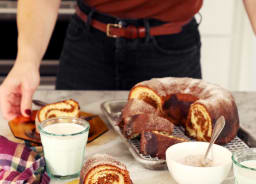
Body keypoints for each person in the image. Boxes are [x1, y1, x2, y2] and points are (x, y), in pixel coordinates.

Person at [0, 0, 254, 121]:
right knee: (71, 156)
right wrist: (27, 59)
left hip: (170, 48)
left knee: (176, 162)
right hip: (88, 47)